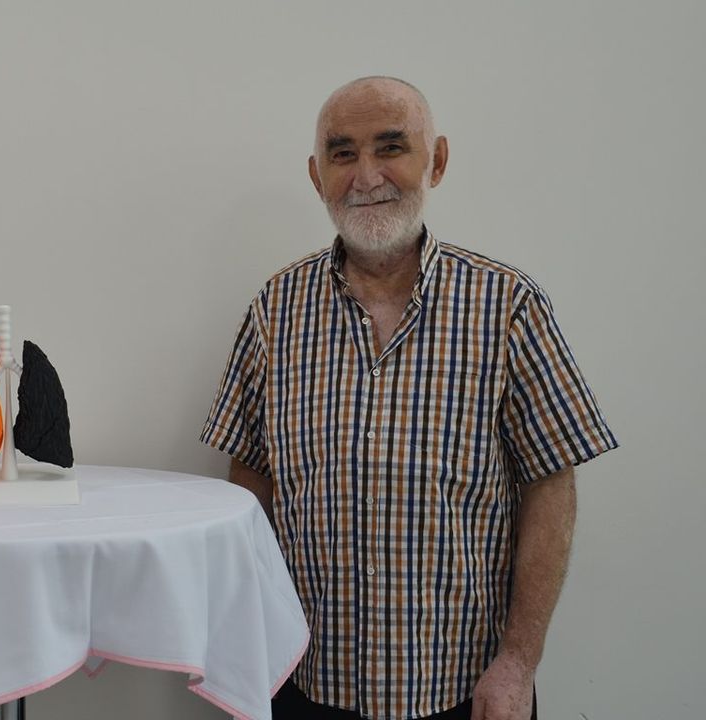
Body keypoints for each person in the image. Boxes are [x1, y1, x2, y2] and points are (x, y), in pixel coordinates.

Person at [200, 77, 616, 720]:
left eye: (390, 147)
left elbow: (551, 484)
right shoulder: (274, 311)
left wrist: (519, 662)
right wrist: (247, 645)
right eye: (343, 154)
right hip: (306, 680)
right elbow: (249, 482)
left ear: (437, 161)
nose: (366, 176)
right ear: (316, 176)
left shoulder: (507, 305)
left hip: (463, 688)